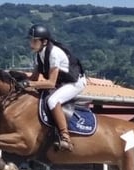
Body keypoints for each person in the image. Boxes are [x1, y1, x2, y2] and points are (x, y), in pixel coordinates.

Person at [22, 24, 86, 152]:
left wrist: (29, 84)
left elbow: (50, 83)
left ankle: (65, 137)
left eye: (34, 40)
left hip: (75, 83)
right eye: (31, 40)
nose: (31, 43)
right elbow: (34, 78)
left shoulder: (53, 53)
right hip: (62, 82)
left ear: (44, 41)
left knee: (52, 101)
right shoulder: (39, 54)